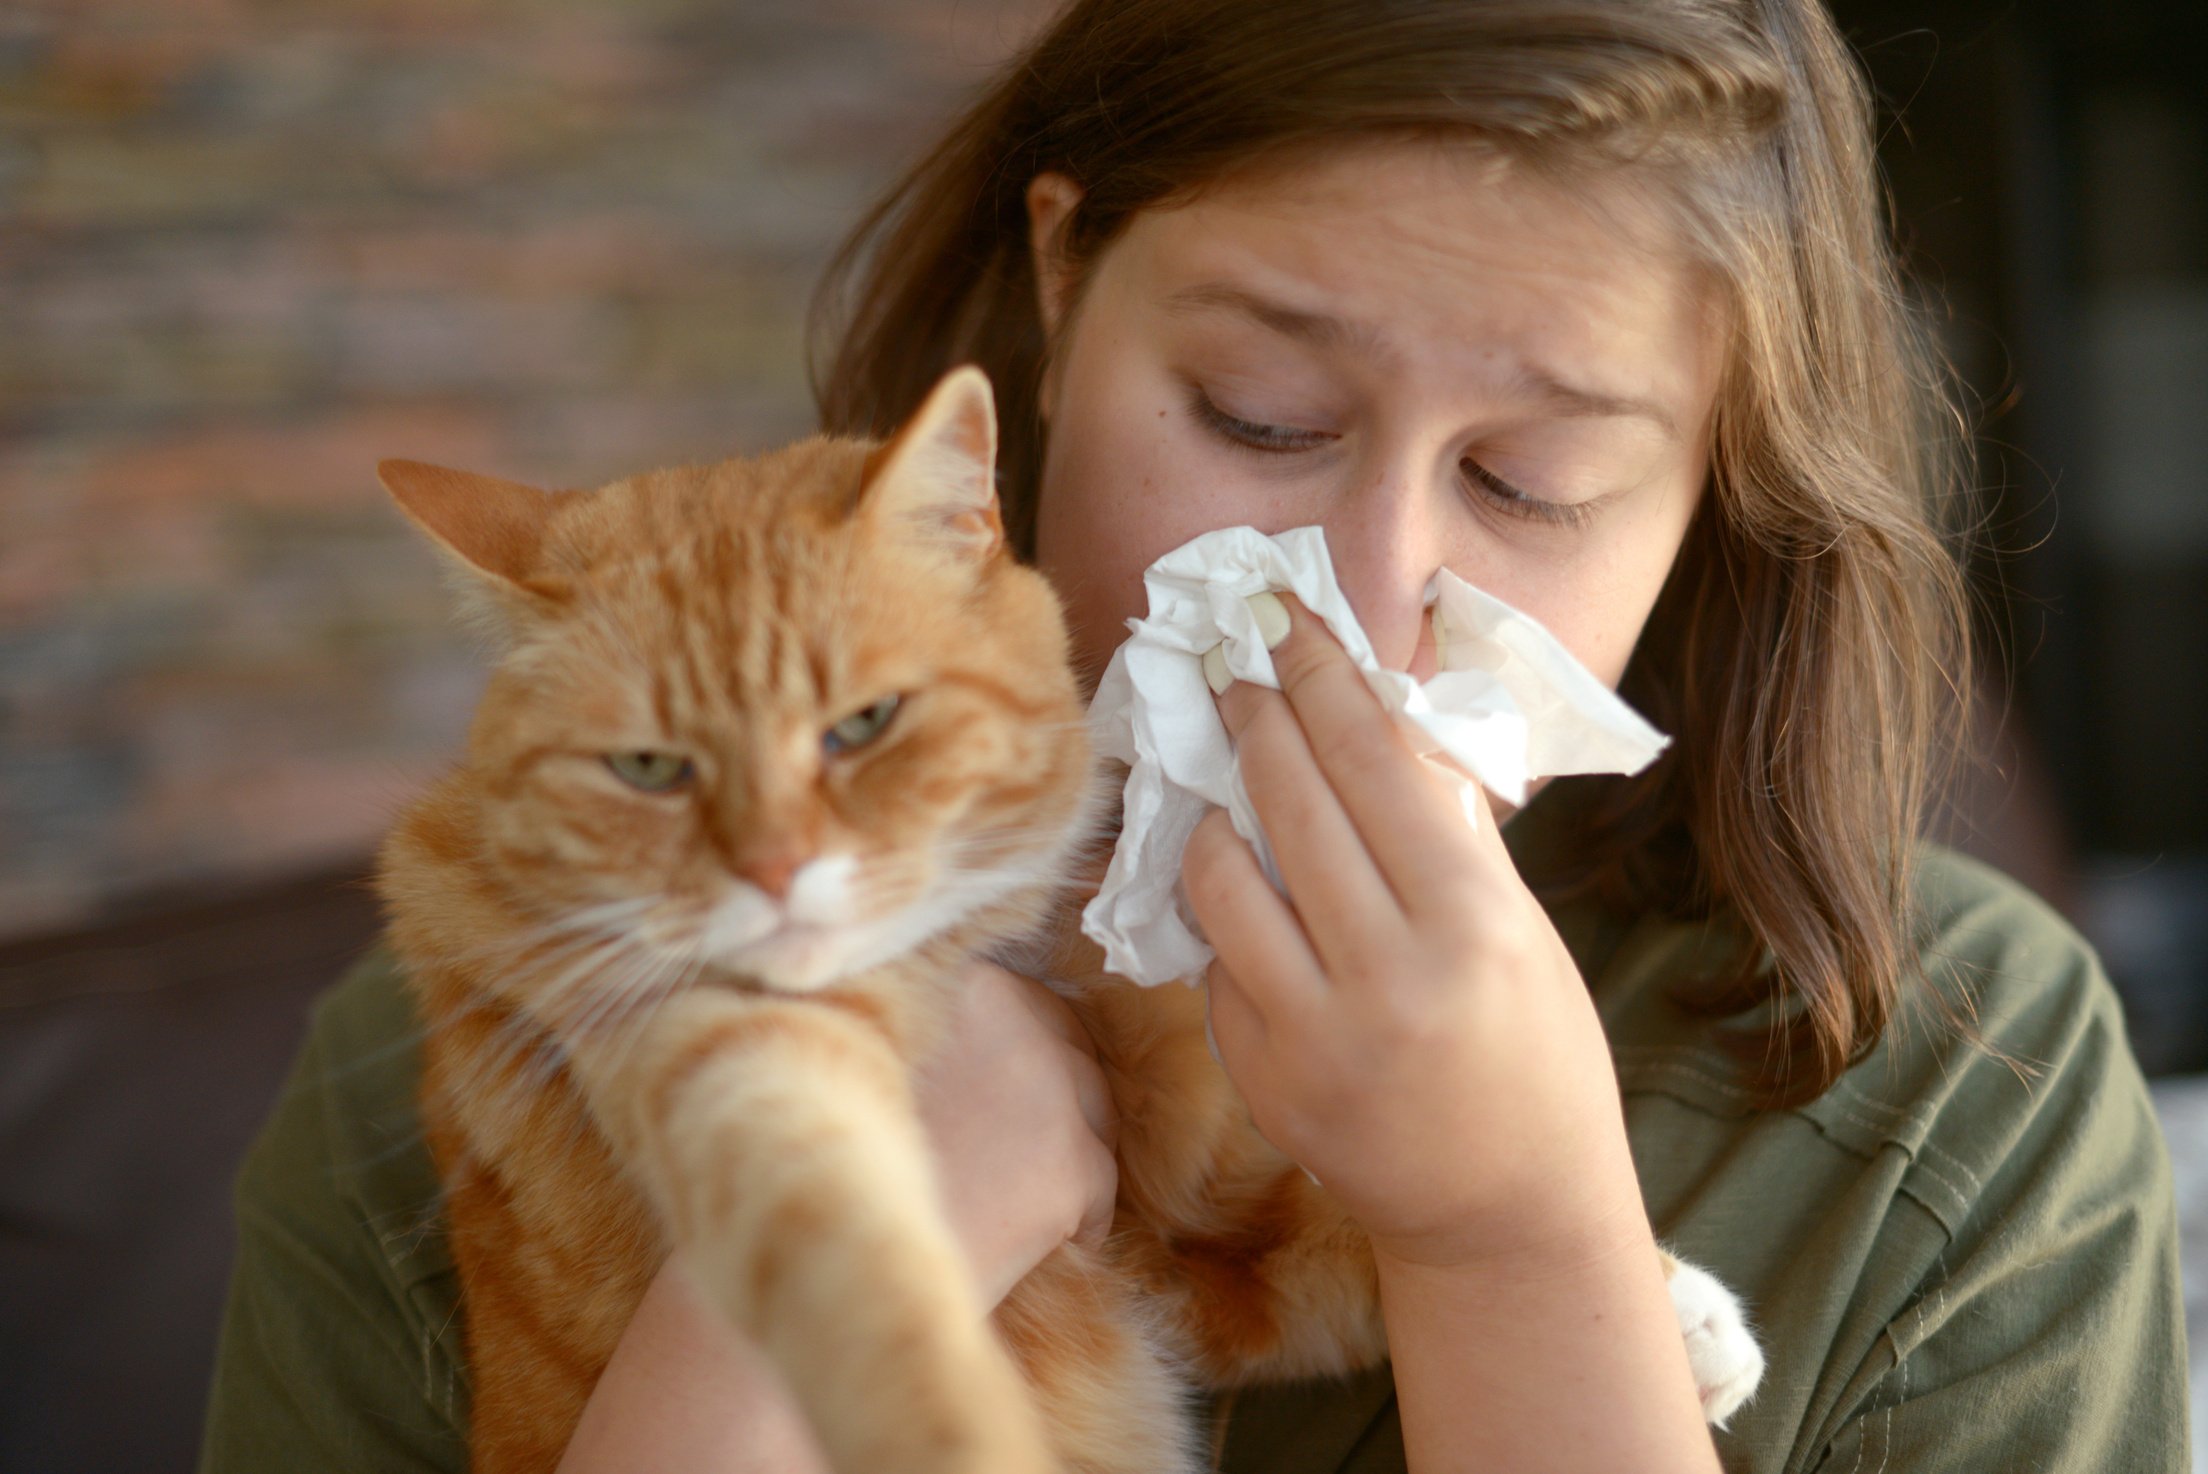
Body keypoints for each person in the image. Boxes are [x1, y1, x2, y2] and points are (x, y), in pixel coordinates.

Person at [198, 1, 2190, 1471]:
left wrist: (1509, 1241)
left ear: (1712, 497)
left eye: (1533, 478)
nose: (1364, 575)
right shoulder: (451, 1073)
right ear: (1062, 284)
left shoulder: (1952, 1084)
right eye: (1253, 414)